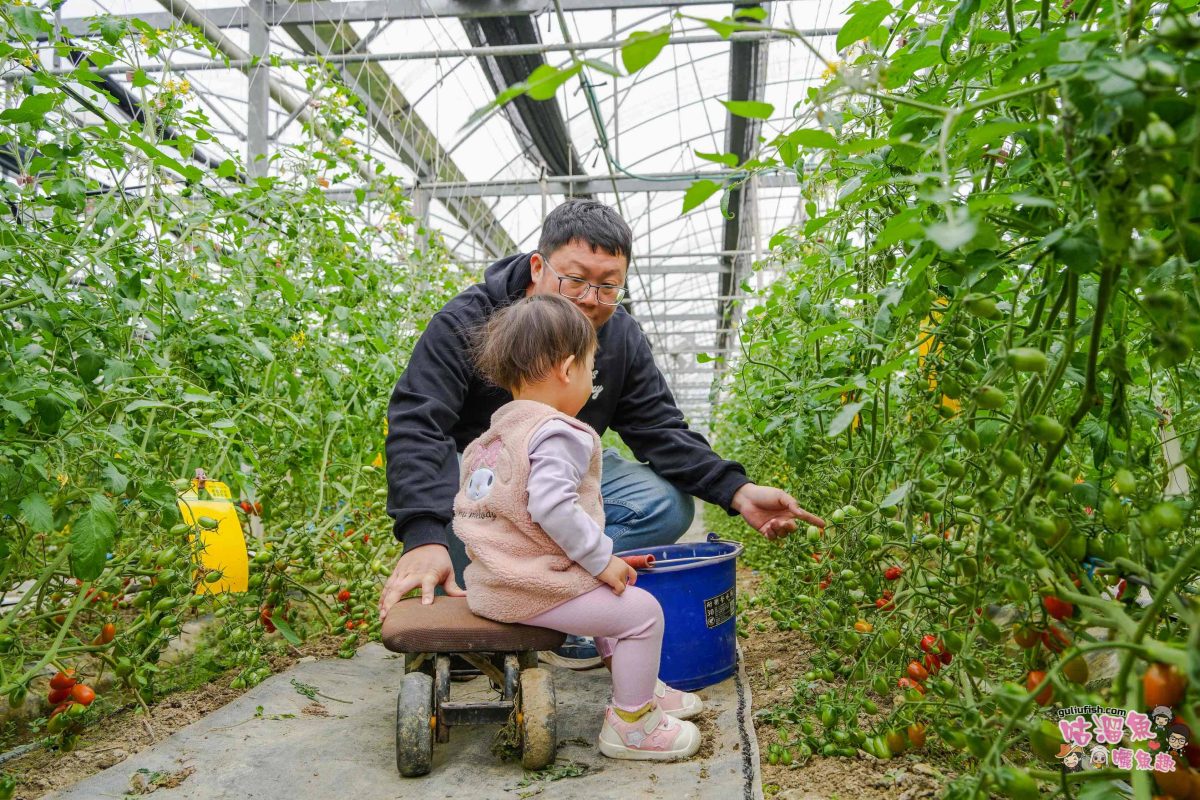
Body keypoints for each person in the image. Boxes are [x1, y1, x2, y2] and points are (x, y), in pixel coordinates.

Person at [379, 199, 825, 668]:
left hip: (557, 465)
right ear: (538, 267)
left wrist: (737, 491)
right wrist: (424, 535)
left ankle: (558, 604)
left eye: (609, 286)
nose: (591, 298)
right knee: (460, 478)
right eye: (576, 280)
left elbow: (659, 427)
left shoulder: (618, 336)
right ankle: (476, 615)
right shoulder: (469, 321)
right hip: (482, 476)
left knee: (666, 504)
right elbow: (418, 422)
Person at [455, 294, 702, 760]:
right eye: (592, 368)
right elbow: (552, 507)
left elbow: (515, 521)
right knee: (641, 613)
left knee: (612, 596)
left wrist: (600, 561)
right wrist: (599, 558)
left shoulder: (492, 437)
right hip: (527, 588)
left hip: (492, 582)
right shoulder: (560, 432)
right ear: (569, 369)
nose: (592, 379)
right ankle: (633, 724)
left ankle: (642, 685)